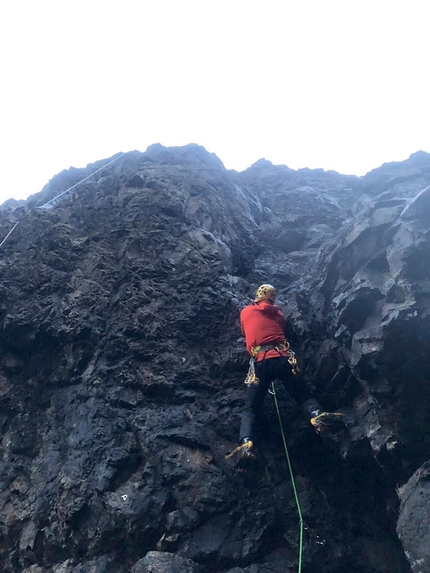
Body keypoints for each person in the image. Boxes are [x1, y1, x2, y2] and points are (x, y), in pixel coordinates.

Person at [234, 284, 342, 467]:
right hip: (283, 360)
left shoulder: (245, 312)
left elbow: (247, 332)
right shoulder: (278, 314)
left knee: (250, 408)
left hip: (260, 363)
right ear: (272, 297)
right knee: (303, 396)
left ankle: (246, 443)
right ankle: (316, 415)